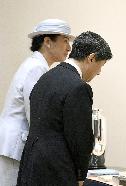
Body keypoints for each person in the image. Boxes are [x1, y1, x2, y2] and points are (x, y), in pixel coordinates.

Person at [17, 31, 113, 186]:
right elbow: (80, 138)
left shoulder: (46, 78)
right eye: (100, 65)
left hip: (30, 166)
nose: (99, 72)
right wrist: (81, 176)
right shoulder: (79, 87)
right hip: (57, 171)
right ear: (91, 58)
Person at [0, 19, 73, 186]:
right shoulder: (36, 68)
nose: (69, 47)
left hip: (14, 144)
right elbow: (36, 114)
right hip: (14, 146)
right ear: (47, 41)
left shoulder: (37, 65)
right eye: (65, 41)